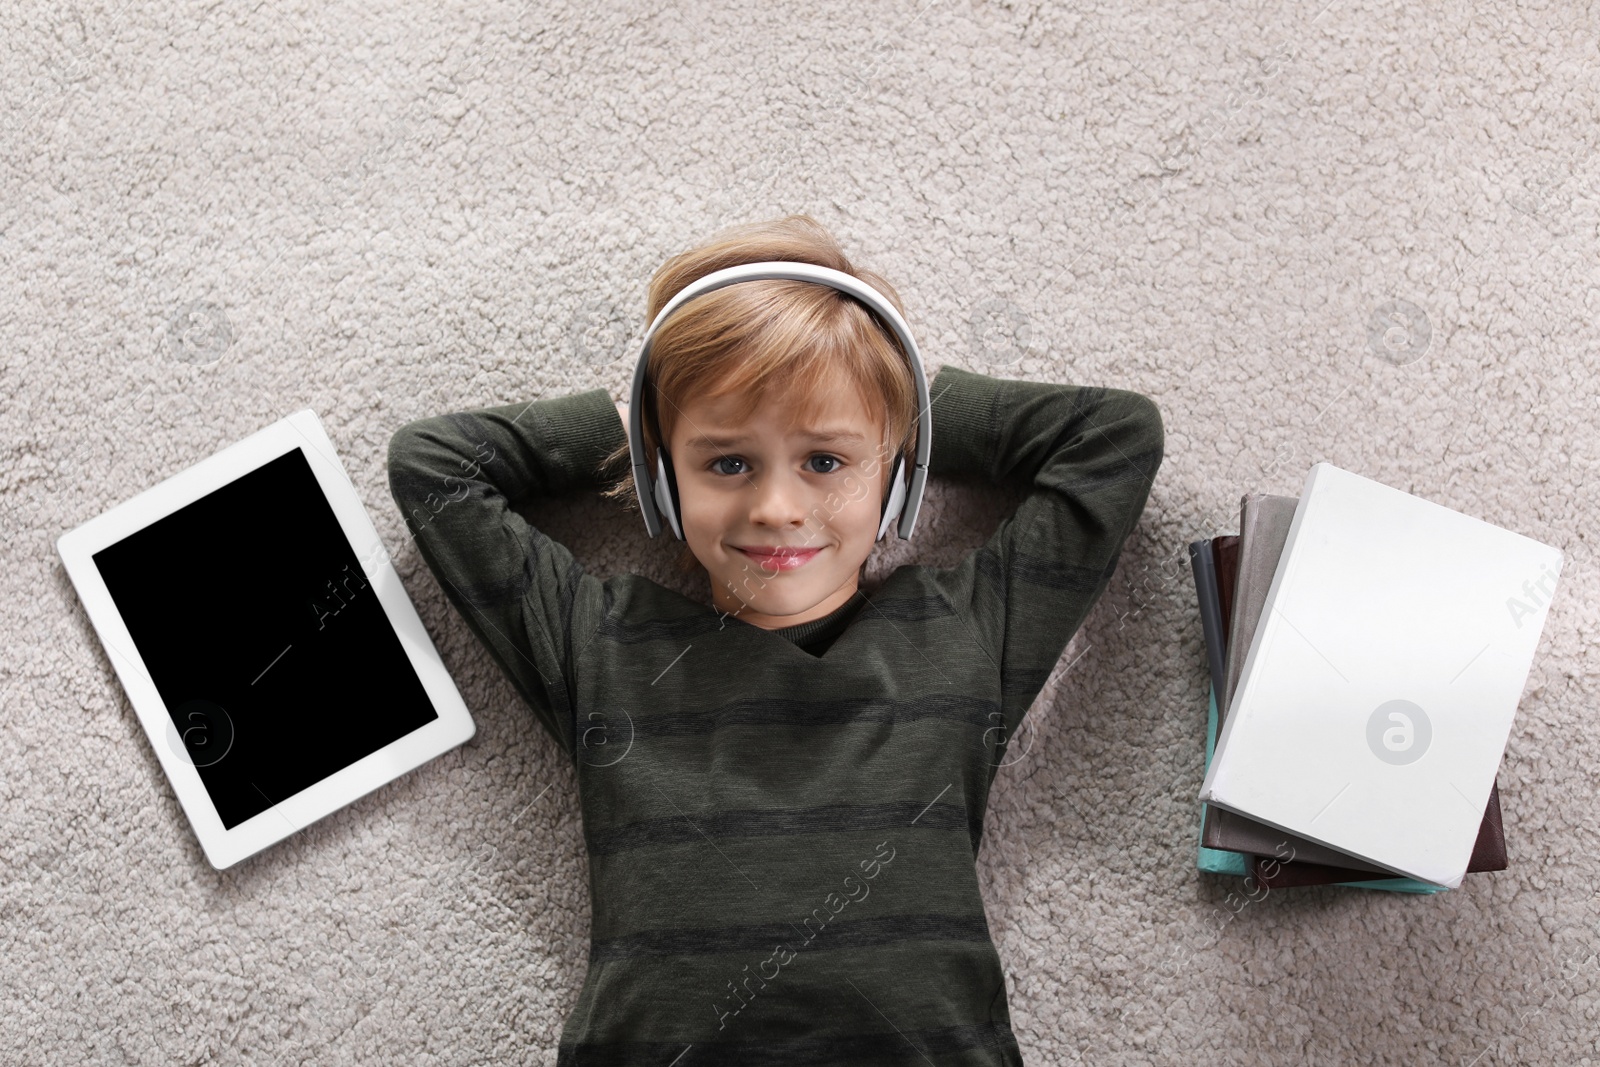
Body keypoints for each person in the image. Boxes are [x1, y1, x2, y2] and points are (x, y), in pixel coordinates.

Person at [386, 214, 1165, 1065]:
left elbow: (1114, 438)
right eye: (726, 463)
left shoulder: (966, 625)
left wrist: (902, 400)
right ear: (661, 481)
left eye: (826, 461)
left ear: (897, 474)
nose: (776, 509)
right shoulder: (600, 642)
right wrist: (642, 422)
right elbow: (435, 466)